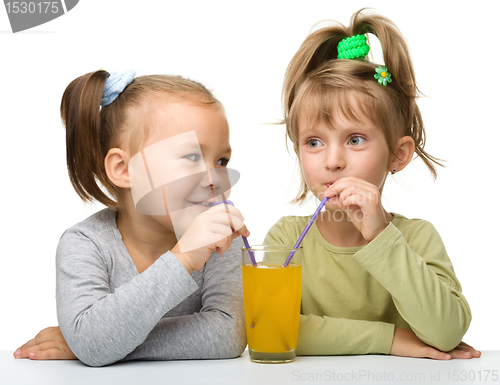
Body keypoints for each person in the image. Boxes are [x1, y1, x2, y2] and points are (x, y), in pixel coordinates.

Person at [263, 9, 480, 360]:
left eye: (355, 139)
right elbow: (273, 326)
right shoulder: (286, 241)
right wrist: (392, 340)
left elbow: (446, 332)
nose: (332, 160)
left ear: (398, 154)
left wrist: (381, 237)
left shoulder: (417, 239)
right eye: (314, 142)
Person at [13, 70, 250, 366]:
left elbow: (228, 334)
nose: (214, 177)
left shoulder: (219, 241)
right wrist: (183, 259)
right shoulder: (84, 244)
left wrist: (100, 343)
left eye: (221, 161)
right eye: (191, 157)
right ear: (124, 169)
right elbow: (92, 342)